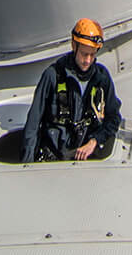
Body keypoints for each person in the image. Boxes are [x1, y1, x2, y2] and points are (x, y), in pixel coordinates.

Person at [20, 17, 121, 162]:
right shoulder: (53, 76)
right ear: (74, 46)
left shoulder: (101, 78)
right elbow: (33, 123)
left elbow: (114, 118)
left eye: (92, 55)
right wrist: (26, 165)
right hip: (53, 157)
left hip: (84, 157)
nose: (87, 60)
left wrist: (94, 142)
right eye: (84, 54)